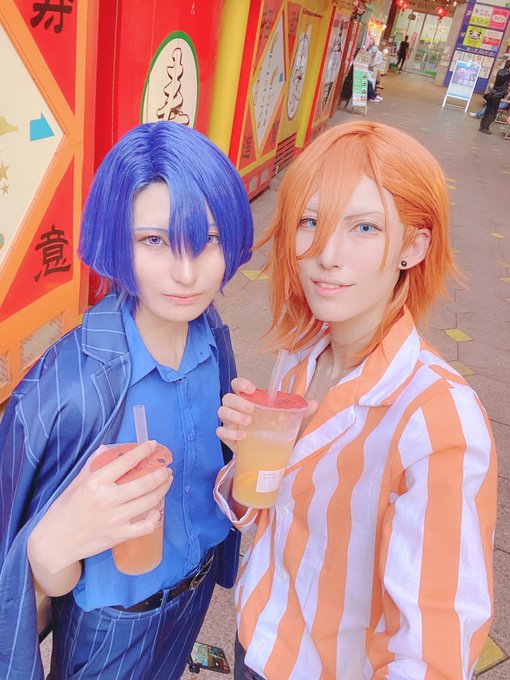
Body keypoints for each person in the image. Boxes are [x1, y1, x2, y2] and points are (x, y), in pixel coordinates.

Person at [214, 121, 496, 679]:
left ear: (413, 246)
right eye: (310, 222)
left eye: (364, 227)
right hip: (255, 641)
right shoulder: (300, 357)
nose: (326, 254)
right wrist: (247, 462)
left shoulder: (437, 419)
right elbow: (271, 509)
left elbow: (434, 653)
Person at [0, 121, 253, 679]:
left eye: (209, 239)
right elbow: (21, 558)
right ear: (118, 239)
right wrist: (44, 554)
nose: (186, 273)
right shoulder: (68, 386)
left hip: (194, 592)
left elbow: (213, 475)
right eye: (154, 241)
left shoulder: (213, 338)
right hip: (114, 625)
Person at [479, 59, 510, 134]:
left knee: (487, 111)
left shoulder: (500, 71)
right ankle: (485, 128)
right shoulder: (508, 74)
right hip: (498, 96)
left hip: (492, 94)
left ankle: (482, 127)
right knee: (492, 113)